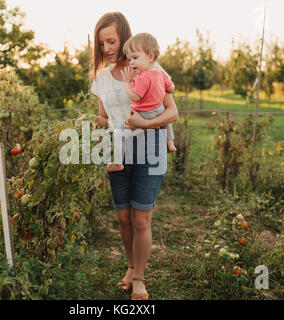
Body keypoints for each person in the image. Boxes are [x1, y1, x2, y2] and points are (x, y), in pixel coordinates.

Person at [90, 12, 178, 300]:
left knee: (141, 220)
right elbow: (105, 117)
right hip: (118, 150)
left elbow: (172, 112)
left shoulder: (148, 68)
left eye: (112, 41)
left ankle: (139, 279)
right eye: (102, 44)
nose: (108, 49)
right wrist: (94, 123)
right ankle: (129, 267)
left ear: (124, 36)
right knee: (124, 218)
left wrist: (145, 123)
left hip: (149, 148)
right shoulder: (101, 79)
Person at [106, 32, 177, 173]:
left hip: (143, 114)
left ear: (150, 56)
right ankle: (170, 143)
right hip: (157, 110)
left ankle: (118, 162)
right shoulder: (160, 73)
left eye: (135, 58)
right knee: (164, 120)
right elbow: (171, 88)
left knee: (119, 133)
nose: (131, 62)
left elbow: (135, 96)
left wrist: (126, 83)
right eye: (129, 58)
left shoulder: (142, 77)